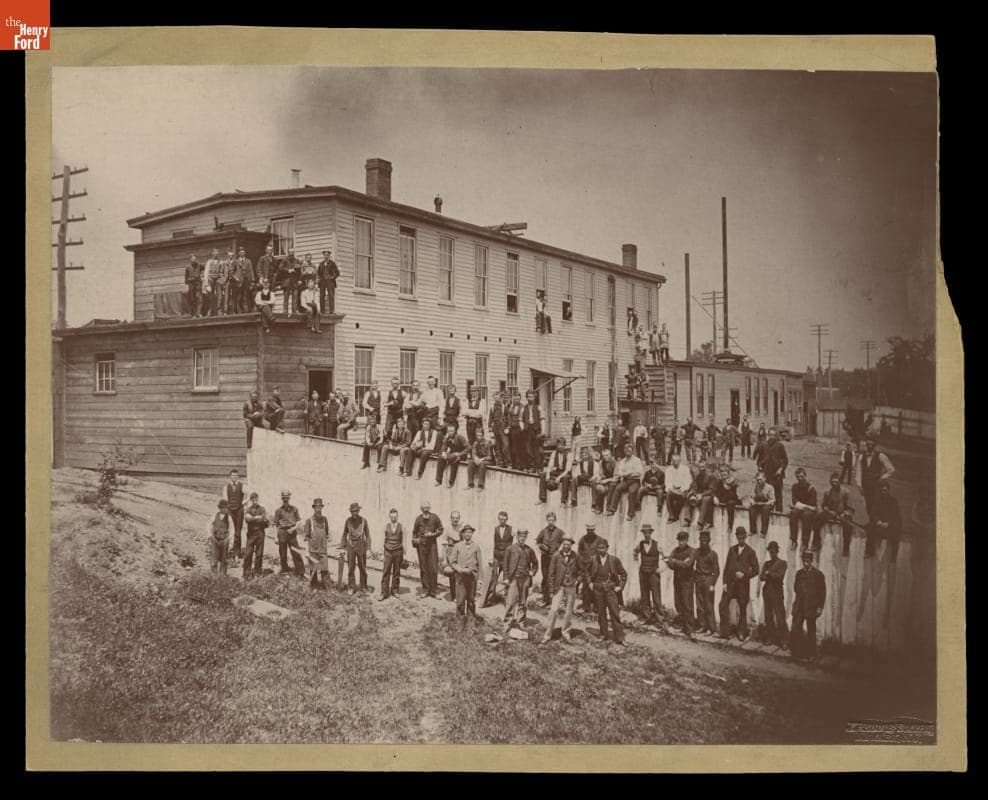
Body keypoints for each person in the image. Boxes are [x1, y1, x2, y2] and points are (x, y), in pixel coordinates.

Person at [717, 527, 759, 641]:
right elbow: (726, 568)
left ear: (745, 537)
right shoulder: (732, 550)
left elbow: (756, 570)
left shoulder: (750, 552)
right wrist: (724, 583)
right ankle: (724, 631)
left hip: (742, 586)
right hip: (730, 584)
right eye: (738, 537)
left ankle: (741, 632)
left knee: (742, 609)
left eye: (742, 537)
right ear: (736, 537)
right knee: (722, 605)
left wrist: (744, 575)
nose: (740, 539)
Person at [542, 532, 583, 643]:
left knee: (569, 611)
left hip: (571, 588)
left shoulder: (576, 556)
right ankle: (548, 634)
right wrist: (551, 590)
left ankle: (566, 632)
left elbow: (581, 571)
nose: (566, 546)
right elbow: (551, 574)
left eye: (568, 544)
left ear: (571, 545)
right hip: (558, 587)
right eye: (564, 544)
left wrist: (577, 581)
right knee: (554, 610)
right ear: (561, 544)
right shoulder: (556, 556)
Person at [587, 538, 627, 645]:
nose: (601, 550)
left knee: (614, 613)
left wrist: (620, 587)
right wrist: (590, 582)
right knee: (601, 613)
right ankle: (603, 635)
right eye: (599, 548)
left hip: (610, 590)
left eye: (603, 548)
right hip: (598, 589)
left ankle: (620, 637)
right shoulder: (593, 559)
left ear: (607, 548)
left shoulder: (614, 560)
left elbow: (623, 574)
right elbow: (586, 571)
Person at [790, 549, 826, 660]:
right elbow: (796, 588)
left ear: (811, 561)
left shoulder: (818, 574)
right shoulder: (799, 573)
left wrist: (819, 607)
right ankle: (797, 653)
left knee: (811, 631)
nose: (806, 563)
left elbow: (822, 592)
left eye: (808, 561)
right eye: (804, 561)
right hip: (800, 606)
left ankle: (812, 654)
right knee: (796, 628)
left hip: (811, 606)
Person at [502, 528, 538, 627]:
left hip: (525, 579)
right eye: (521, 536)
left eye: (524, 536)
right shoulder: (510, 549)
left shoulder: (529, 550)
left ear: (526, 537)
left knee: (523, 601)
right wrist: (505, 578)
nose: (522, 538)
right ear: (517, 536)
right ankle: (507, 623)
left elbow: (535, 563)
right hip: (514, 578)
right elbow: (505, 564)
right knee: (511, 601)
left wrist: (532, 572)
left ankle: (520, 622)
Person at [449, 524, 483, 628]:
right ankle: (460, 622)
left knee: (471, 600)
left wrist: (480, 579)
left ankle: (471, 622)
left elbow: (480, 564)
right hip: (460, 577)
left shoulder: (476, 546)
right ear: (463, 534)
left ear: (472, 534)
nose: (468, 534)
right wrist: (459, 569)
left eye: (470, 532)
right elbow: (452, 562)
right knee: (460, 600)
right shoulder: (457, 546)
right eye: (466, 532)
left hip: (472, 577)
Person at [664, 530, 696, 638]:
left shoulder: (692, 551)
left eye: (683, 540)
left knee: (687, 605)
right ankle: (684, 626)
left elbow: (688, 565)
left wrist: (675, 561)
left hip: (687, 581)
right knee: (678, 603)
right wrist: (674, 562)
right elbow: (670, 564)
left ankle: (690, 630)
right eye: (680, 540)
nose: (681, 542)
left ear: (687, 540)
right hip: (677, 580)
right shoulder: (675, 550)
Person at [412, 501, 444, 598]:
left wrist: (433, 534)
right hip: (421, 546)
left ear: (430, 508)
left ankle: (433, 591)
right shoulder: (418, 519)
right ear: (421, 509)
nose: (425, 509)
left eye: (427, 508)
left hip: (432, 545)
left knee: (433, 568)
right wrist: (416, 540)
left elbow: (441, 529)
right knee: (424, 568)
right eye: (424, 508)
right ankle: (426, 590)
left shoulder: (435, 517)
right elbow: (414, 532)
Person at [818, 472, 855, 557]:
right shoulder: (827, 492)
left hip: (843, 514)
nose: (834, 484)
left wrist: (844, 513)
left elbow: (851, 508)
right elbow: (823, 505)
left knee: (848, 524)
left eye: (836, 482)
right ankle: (816, 541)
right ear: (830, 482)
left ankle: (846, 547)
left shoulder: (845, 492)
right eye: (833, 482)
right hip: (831, 513)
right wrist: (829, 511)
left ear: (839, 482)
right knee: (818, 517)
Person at [633, 524, 663, 626]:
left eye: (648, 532)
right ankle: (647, 617)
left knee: (656, 596)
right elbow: (635, 554)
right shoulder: (640, 544)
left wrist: (661, 569)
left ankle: (660, 619)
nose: (647, 534)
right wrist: (638, 565)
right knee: (644, 596)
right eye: (645, 533)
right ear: (643, 533)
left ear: (651, 533)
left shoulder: (657, 544)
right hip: (643, 574)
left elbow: (665, 557)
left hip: (654, 574)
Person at [759, 541, 788, 647]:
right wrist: (769, 574)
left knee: (780, 617)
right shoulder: (767, 564)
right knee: (768, 617)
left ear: (777, 551)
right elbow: (761, 577)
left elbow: (779, 576)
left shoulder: (783, 563)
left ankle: (784, 641)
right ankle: (770, 638)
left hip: (777, 593)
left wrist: (769, 573)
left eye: (774, 551)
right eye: (770, 551)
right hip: (767, 593)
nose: (772, 553)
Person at [866, 480, 903, 562]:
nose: (883, 492)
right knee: (870, 527)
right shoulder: (877, 501)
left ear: (888, 490)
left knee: (896, 531)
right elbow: (873, 513)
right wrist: (878, 521)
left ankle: (893, 557)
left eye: (885, 490)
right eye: (882, 490)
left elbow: (896, 515)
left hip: (889, 526)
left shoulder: (893, 501)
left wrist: (888, 523)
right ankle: (869, 551)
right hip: (879, 525)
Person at [483, 511, 513, 608]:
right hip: (497, 557)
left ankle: (508, 602)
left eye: (504, 519)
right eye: (500, 519)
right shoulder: (495, 529)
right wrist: (491, 557)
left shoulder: (511, 529)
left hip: (506, 557)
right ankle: (490, 599)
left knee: (507, 578)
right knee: (493, 578)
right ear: (498, 519)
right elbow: (492, 543)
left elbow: (514, 544)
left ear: (507, 519)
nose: (502, 521)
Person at [607, 443, 644, 520]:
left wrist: (626, 474)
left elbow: (639, 473)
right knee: (618, 488)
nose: (628, 451)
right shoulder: (622, 461)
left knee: (632, 491)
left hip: (635, 481)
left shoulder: (637, 460)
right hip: (626, 480)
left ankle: (630, 514)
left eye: (629, 450)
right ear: (624, 451)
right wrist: (629, 473)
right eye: (626, 450)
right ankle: (612, 509)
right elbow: (619, 473)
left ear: (632, 451)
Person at [692, 529, 719, 635]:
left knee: (709, 605)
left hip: (708, 580)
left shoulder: (713, 554)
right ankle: (702, 626)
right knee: (699, 605)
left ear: (709, 541)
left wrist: (712, 583)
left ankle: (711, 628)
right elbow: (690, 562)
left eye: (705, 541)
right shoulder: (697, 552)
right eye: (701, 540)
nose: (703, 543)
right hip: (698, 580)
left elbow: (717, 571)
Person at [340, 502, 371, 593]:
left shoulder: (363, 521)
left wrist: (368, 549)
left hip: (361, 545)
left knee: (362, 567)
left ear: (358, 511)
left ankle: (363, 586)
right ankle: (351, 587)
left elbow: (368, 535)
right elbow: (344, 534)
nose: (354, 513)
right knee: (351, 567)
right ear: (351, 512)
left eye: (356, 511)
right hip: (351, 545)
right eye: (353, 511)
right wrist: (342, 547)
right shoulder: (348, 521)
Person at [536, 512, 565, 605]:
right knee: (545, 577)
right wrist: (541, 547)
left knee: (554, 577)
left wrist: (559, 552)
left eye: (552, 520)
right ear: (547, 520)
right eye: (549, 520)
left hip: (555, 558)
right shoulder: (543, 531)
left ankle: (555, 599)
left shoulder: (560, 532)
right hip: (545, 558)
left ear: (555, 520)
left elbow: (565, 542)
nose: (550, 522)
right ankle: (546, 599)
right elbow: (537, 541)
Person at [273, 490, 304, 577]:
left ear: (289, 498)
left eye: (287, 498)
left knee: (296, 552)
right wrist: (276, 537)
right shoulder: (278, 511)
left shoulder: (294, 509)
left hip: (292, 532)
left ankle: (300, 572)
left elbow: (299, 521)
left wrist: (294, 528)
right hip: (282, 532)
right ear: (282, 499)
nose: (285, 500)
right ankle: (285, 570)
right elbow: (276, 524)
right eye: (284, 498)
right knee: (283, 553)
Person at [301, 498, 331, 590]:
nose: (318, 509)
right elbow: (306, 537)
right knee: (312, 569)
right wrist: (307, 551)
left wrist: (328, 538)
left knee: (324, 569)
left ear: (322, 508)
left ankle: (327, 588)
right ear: (314, 508)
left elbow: (327, 534)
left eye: (320, 507)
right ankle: (314, 587)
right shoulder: (309, 521)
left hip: (322, 549)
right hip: (313, 549)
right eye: (316, 507)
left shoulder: (325, 519)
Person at [860, 439, 895, 516]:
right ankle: (871, 523)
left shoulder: (880, 456)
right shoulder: (863, 456)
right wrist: (860, 485)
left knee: (875, 504)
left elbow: (891, 469)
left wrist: (882, 477)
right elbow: (859, 472)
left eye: (871, 445)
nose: (869, 446)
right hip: (866, 485)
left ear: (875, 446)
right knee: (868, 504)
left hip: (876, 486)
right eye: (868, 444)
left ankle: (876, 524)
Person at [788, 468, 819, 550]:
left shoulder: (811, 489)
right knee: (793, 513)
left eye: (801, 476)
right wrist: (801, 505)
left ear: (805, 476)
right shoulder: (795, 487)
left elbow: (812, 506)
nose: (800, 479)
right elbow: (795, 501)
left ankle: (805, 542)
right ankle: (794, 540)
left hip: (809, 511)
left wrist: (801, 505)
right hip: (801, 509)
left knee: (806, 515)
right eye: (798, 477)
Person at [379, 508, 406, 601]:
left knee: (396, 572)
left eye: (395, 516)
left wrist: (404, 554)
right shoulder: (385, 526)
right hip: (388, 551)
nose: (393, 518)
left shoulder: (402, 527)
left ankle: (395, 590)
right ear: (389, 517)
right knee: (386, 571)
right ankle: (384, 592)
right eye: (392, 517)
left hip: (398, 551)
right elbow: (382, 540)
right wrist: (382, 554)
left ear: (397, 516)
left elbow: (404, 541)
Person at [759, 429, 789, 512]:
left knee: (778, 495)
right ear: (768, 435)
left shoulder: (780, 445)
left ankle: (779, 513)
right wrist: (760, 467)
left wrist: (781, 469)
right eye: (770, 435)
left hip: (777, 475)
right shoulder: (764, 445)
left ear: (776, 436)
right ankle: (768, 512)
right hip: (767, 475)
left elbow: (785, 460)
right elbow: (759, 460)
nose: (771, 436)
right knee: (767, 495)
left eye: (773, 435)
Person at [242, 492, 269, 580]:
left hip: (260, 533)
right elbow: (247, 519)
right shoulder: (248, 509)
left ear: (258, 499)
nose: (255, 501)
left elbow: (265, 519)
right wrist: (257, 518)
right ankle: (246, 573)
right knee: (248, 553)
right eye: (253, 499)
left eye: (256, 499)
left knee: (259, 554)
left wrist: (254, 519)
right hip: (251, 534)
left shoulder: (262, 509)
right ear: (251, 500)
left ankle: (257, 572)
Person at [435, 421, 470, 487]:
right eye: (449, 431)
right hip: (452, 454)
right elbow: (444, 446)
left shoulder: (460, 437)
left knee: (454, 461)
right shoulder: (447, 438)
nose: (450, 433)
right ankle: (439, 480)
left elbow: (468, 447)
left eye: (452, 431)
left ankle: (451, 482)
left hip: (461, 455)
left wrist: (459, 454)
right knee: (440, 458)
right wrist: (443, 452)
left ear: (455, 431)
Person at [687, 462, 720, 529]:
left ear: (706, 467)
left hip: (710, 495)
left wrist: (702, 495)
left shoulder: (711, 476)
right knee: (690, 497)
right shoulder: (698, 475)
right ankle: (688, 518)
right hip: (700, 494)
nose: (701, 469)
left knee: (705, 499)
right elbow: (695, 486)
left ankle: (700, 522)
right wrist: (693, 493)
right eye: (700, 467)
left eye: (703, 467)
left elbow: (711, 490)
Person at [538, 438, 571, 504]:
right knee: (543, 474)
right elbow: (550, 465)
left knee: (566, 478)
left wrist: (559, 477)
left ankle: (563, 501)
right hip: (556, 472)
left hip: (564, 473)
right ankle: (542, 497)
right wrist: (547, 474)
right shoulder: (554, 453)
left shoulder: (569, 454)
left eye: (561, 445)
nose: (560, 447)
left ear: (564, 446)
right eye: (558, 445)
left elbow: (567, 469)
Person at [664, 453, 693, 524]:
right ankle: (671, 516)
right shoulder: (668, 470)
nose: (675, 463)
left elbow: (688, 481)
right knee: (668, 494)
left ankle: (678, 516)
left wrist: (682, 489)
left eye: (677, 461)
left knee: (683, 497)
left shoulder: (685, 469)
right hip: (673, 489)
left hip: (683, 489)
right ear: (671, 461)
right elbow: (667, 482)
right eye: (674, 461)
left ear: (680, 461)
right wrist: (672, 489)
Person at [223, 469, 246, 559]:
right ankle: (229, 551)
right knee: (230, 529)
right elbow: (224, 499)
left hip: (239, 510)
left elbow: (248, 495)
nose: (234, 477)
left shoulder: (242, 486)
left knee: (238, 531)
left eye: (236, 475)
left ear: (238, 476)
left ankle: (237, 552)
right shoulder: (226, 487)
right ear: (230, 476)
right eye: (233, 475)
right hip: (230, 510)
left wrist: (243, 503)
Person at [443, 511, 465, 602]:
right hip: (450, 554)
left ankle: (461, 594)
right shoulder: (447, 529)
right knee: (452, 575)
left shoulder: (461, 530)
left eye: (457, 518)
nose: (455, 520)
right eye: (453, 518)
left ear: (459, 519)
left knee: (460, 574)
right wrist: (444, 559)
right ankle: (454, 596)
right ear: (451, 519)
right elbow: (444, 545)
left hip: (460, 553)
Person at [520, 391, 544, 471]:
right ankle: (532, 466)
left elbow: (542, 419)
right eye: (529, 396)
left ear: (534, 397)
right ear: (527, 397)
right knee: (528, 448)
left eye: (532, 396)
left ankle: (539, 467)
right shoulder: (524, 408)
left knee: (537, 449)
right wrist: (523, 427)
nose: (530, 398)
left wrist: (542, 431)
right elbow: (520, 419)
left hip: (536, 429)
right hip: (527, 429)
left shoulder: (539, 407)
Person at [590, 447, 618, 514]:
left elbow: (616, 478)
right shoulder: (601, 463)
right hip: (604, 482)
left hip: (612, 483)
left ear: (611, 455)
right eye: (604, 455)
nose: (606, 457)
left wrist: (606, 480)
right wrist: (599, 478)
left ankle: (607, 508)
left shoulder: (615, 463)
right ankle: (595, 505)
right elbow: (601, 473)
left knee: (611, 485)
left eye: (607, 455)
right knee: (595, 483)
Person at [748, 471, 776, 537]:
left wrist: (764, 503)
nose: (758, 481)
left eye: (760, 479)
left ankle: (763, 532)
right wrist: (752, 501)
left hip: (766, 504)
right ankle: (753, 530)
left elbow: (773, 500)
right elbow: (751, 496)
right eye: (757, 480)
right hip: (758, 504)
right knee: (752, 508)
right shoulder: (756, 487)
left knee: (765, 509)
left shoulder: (770, 487)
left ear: (765, 479)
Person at [208, 499, 231, 577]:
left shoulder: (229, 518)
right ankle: (213, 576)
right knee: (214, 558)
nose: (223, 509)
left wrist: (228, 539)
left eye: (225, 508)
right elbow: (209, 526)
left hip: (224, 540)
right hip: (215, 539)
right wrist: (211, 536)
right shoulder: (214, 516)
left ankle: (222, 576)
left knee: (223, 559)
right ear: (219, 508)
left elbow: (232, 529)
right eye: (222, 508)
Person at [489, 391, 512, 468]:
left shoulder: (504, 407)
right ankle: (500, 463)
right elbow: (490, 419)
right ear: (493, 398)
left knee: (506, 446)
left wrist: (508, 427)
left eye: (498, 397)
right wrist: (490, 430)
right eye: (495, 397)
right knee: (497, 446)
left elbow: (508, 418)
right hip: (495, 427)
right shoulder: (492, 407)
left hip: (503, 427)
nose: (497, 399)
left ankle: (508, 463)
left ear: (500, 398)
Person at [716, 464, 741, 532]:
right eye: (722, 475)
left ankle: (730, 525)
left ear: (728, 474)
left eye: (725, 475)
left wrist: (726, 487)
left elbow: (733, 495)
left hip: (732, 499)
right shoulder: (720, 482)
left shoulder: (732, 482)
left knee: (730, 504)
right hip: (723, 499)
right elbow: (717, 491)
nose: (723, 477)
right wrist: (715, 497)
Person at [379, 376, 404, 442]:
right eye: (393, 383)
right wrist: (390, 403)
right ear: (391, 384)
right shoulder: (388, 393)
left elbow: (407, 402)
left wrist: (403, 408)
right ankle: (387, 444)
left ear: (398, 384)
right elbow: (384, 404)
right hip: (391, 413)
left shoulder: (403, 393)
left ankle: (399, 443)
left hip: (399, 414)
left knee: (400, 429)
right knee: (388, 429)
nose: (395, 385)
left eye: (396, 383)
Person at [317, 249, 340, 313]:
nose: (326, 256)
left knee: (331, 295)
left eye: (327, 255)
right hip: (323, 281)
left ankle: (332, 310)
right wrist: (319, 278)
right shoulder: (321, 264)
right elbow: (318, 273)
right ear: (323, 256)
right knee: (322, 295)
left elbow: (337, 273)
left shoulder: (332, 263)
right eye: (325, 255)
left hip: (330, 281)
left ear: (329, 256)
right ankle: (322, 310)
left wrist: (332, 277)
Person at [280, 249, 301, 316]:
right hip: (287, 281)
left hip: (294, 281)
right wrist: (288, 270)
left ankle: (294, 311)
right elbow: (280, 268)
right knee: (286, 296)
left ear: (294, 253)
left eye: (292, 253)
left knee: (295, 297)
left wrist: (299, 280)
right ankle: (285, 311)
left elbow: (300, 271)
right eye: (290, 252)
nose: (291, 254)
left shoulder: (297, 260)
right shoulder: (284, 260)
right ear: (288, 253)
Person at [507, 392, 525, 469]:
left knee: (519, 447)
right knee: (513, 447)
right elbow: (509, 417)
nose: (516, 400)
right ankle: (514, 464)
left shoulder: (523, 407)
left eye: (518, 398)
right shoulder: (511, 407)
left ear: (520, 399)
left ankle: (520, 465)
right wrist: (509, 427)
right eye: (515, 398)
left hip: (519, 429)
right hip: (512, 429)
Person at [235, 247, 254, 315]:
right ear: (239, 253)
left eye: (243, 252)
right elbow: (232, 271)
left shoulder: (248, 261)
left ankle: (248, 310)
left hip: (247, 280)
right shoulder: (236, 261)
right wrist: (236, 277)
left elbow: (251, 271)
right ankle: (239, 310)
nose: (242, 253)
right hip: (239, 281)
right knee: (240, 295)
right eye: (241, 252)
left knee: (247, 294)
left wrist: (252, 281)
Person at [204, 248, 222, 317]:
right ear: (212, 254)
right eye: (214, 253)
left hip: (218, 279)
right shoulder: (209, 261)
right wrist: (206, 284)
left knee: (219, 295)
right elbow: (206, 272)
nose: (215, 254)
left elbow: (222, 272)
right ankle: (210, 310)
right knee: (210, 296)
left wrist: (221, 279)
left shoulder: (220, 262)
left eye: (217, 253)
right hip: (210, 279)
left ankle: (219, 311)